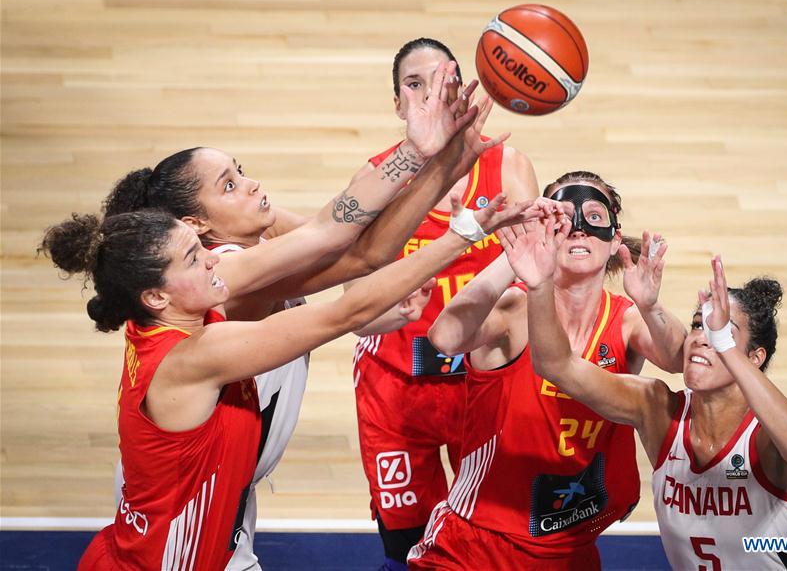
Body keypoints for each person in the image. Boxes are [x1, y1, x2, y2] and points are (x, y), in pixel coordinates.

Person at [100, 61, 507, 569]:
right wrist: (421, 157)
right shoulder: (226, 277)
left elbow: (363, 251)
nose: (249, 185)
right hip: (182, 526)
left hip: (215, 493)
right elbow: (335, 245)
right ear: (197, 226)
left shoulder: (225, 260)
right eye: (228, 185)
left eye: (240, 171)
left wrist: (448, 163)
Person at [42, 177, 537, 568]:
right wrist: (463, 236)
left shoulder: (176, 320)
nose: (215, 259)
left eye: (202, 246)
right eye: (194, 258)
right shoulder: (195, 355)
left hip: (161, 545)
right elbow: (339, 314)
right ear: (156, 297)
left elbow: (339, 250)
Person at [409, 171, 687, 569]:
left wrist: (650, 305)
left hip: (570, 545)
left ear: (613, 240)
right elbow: (446, 337)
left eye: (593, 217)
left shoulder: (625, 320)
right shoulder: (515, 309)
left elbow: (678, 359)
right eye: (564, 217)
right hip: (477, 545)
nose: (577, 230)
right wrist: (513, 258)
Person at [346, 37, 539, 569]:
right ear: (398, 104)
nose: (430, 95)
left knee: (494, 536)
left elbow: (533, 279)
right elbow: (353, 311)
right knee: (405, 549)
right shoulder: (377, 178)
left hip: (483, 385)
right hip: (396, 392)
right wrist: (398, 310)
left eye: (441, 82)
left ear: (462, 90)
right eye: (415, 84)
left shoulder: (510, 166)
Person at [517, 233, 787, 570]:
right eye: (697, 326)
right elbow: (557, 366)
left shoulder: (767, 432)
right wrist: (540, 285)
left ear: (754, 356)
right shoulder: (658, 410)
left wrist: (726, 348)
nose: (703, 338)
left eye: (721, 331)